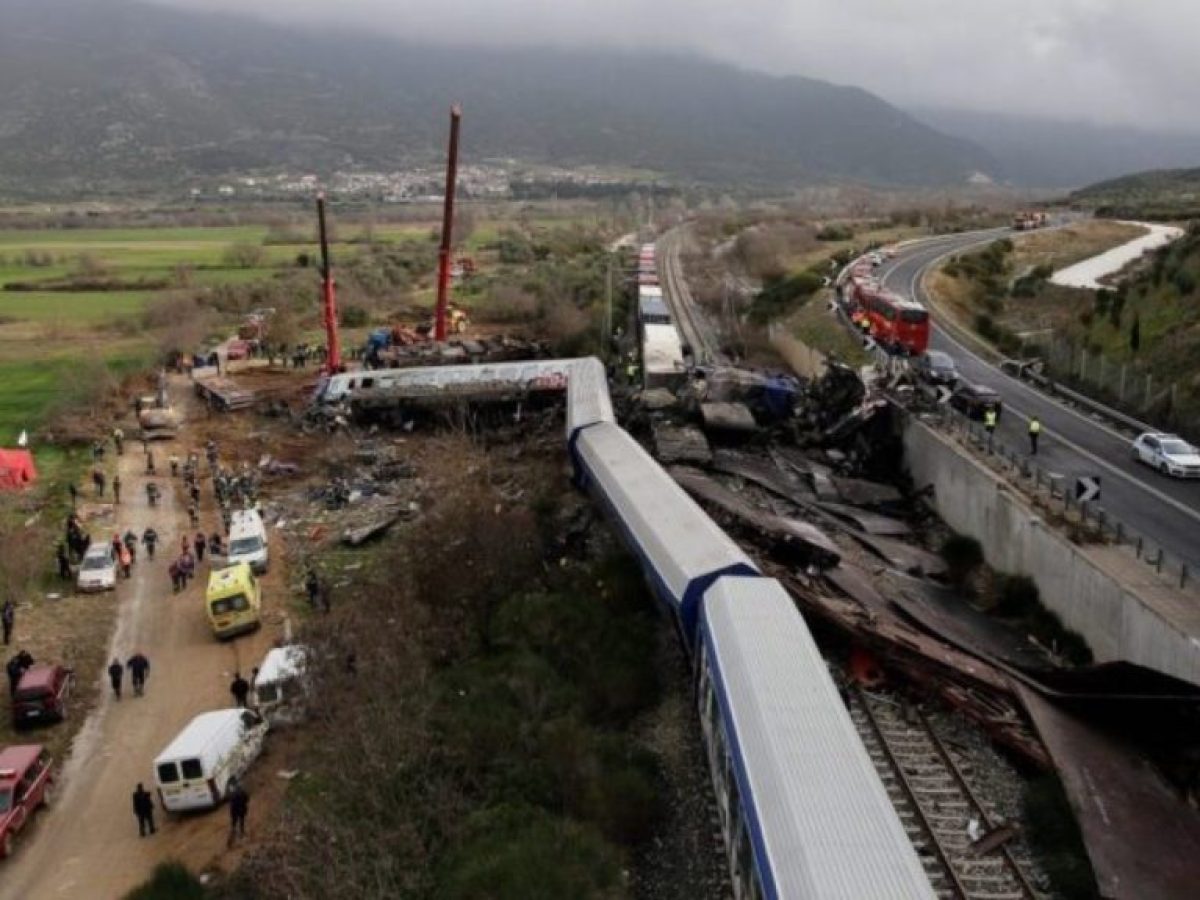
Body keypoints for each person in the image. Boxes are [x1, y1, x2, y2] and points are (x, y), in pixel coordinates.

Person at [227, 781, 249, 847]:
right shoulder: (243, 793)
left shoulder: (233, 794)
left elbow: (231, 803)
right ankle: (241, 832)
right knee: (241, 821)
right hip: (241, 810)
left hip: (234, 811)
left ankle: (233, 830)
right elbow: (247, 799)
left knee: (234, 822)